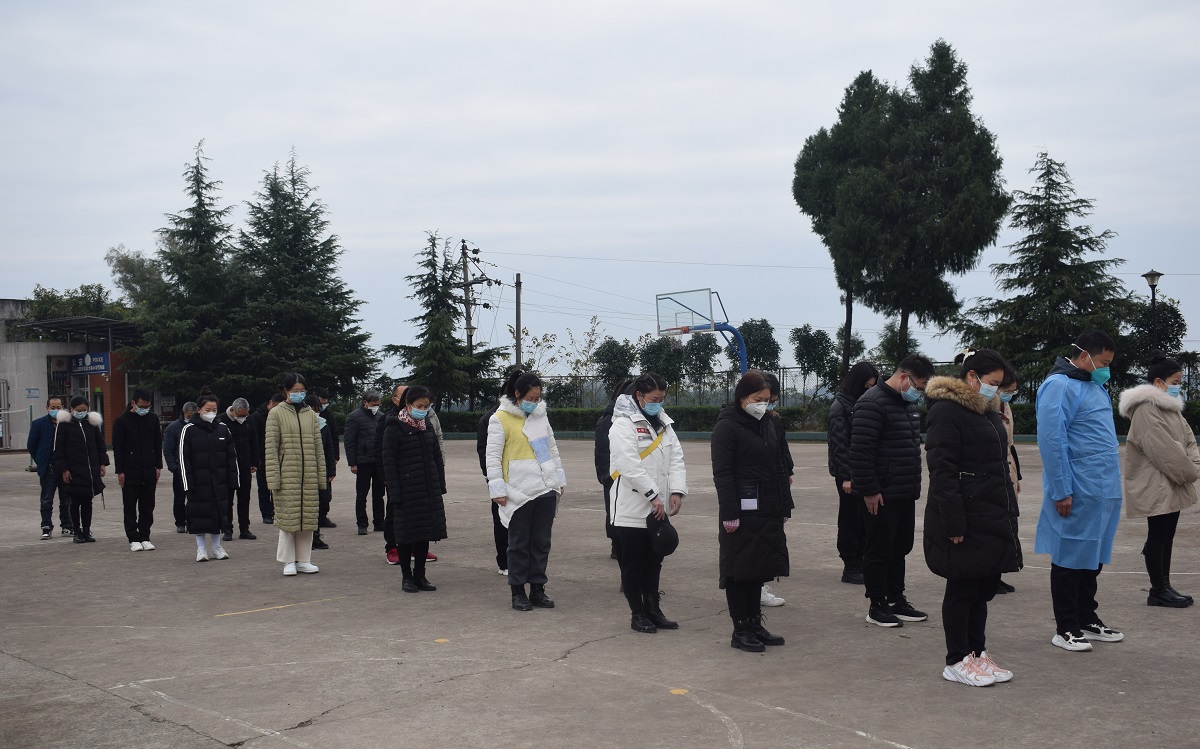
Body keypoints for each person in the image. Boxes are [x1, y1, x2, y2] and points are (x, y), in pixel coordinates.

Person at [922, 350, 1022, 687]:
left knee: (982, 589)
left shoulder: (987, 411)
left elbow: (998, 464)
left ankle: (977, 652)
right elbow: (942, 471)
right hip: (963, 514)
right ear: (971, 377)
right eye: (992, 383)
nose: (996, 390)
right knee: (962, 588)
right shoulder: (946, 411)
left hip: (990, 512)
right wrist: (954, 522)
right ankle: (956, 659)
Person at [1034, 330, 1124, 651]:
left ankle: (1087, 617)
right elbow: (1052, 440)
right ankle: (1066, 627)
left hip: (1103, 488)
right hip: (1077, 486)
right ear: (1084, 356)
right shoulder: (1059, 385)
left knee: (1093, 554)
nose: (1106, 369)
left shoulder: (1095, 386)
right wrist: (1061, 489)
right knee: (1070, 555)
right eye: (1103, 362)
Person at [850, 354, 935, 628]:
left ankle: (896, 599)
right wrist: (870, 489)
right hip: (881, 494)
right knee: (879, 550)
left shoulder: (906, 404)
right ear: (904, 377)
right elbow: (861, 451)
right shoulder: (871, 403)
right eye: (918, 386)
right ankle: (877, 605)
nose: (918, 393)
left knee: (900, 548)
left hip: (904, 490)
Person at [711, 369, 793, 652]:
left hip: (767, 507)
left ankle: (756, 624)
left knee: (758, 568)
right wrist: (729, 512)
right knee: (739, 570)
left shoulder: (769, 423)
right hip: (740, 510)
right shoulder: (727, 426)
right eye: (758, 399)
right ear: (742, 396)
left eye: (767, 400)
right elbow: (722, 473)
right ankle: (741, 629)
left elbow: (779, 466)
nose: (763, 405)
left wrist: (784, 504)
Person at [1119, 353, 1199, 608]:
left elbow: (1189, 441)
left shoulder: (1172, 408)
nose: (1179, 386)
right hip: (1156, 483)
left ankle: (1164, 585)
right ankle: (1158, 589)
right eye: (1175, 382)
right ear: (1158, 382)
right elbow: (1163, 450)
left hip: (1173, 481)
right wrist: (1190, 472)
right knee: (1158, 534)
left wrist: (1192, 466)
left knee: (1167, 534)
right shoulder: (1146, 409)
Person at [608, 373, 686, 633]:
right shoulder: (622, 424)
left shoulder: (665, 424)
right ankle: (637, 613)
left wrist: (677, 491)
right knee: (633, 563)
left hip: (658, 506)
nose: (658, 404)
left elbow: (676, 459)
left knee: (654, 560)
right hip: (632, 506)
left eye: (662, 399)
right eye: (653, 399)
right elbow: (628, 464)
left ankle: (653, 609)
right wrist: (652, 494)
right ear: (639, 396)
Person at [486, 370, 566, 611]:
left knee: (541, 542)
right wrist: (497, 488)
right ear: (517, 394)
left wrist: (559, 478)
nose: (534, 402)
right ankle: (518, 591)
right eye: (530, 398)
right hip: (517, 489)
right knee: (518, 543)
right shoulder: (499, 418)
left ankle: (538, 589)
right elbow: (493, 457)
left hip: (545, 487)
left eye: (537, 398)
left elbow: (552, 448)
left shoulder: (541, 416)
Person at [383, 385, 448, 592]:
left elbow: (436, 457)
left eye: (426, 406)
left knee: (423, 534)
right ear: (408, 404)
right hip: (406, 491)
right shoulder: (394, 427)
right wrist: (394, 493)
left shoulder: (426, 425)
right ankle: (407, 577)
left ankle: (420, 575)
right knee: (405, 536)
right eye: (419, 406)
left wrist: (440, 485)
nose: (423, 410)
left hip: (427, 489)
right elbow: (389, 463)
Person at [265, 373, 326, 576]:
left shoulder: (310, 414)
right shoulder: (276, 413)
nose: (299, 394)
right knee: (288, 520)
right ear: (286, 391)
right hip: (286, 475)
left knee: (307, 519)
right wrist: (274, 478)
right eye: (295, 391)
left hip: (308, 475)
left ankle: (304, 560)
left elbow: (318, 448)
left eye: (302, 391)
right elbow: (271, 448)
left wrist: (321, 476)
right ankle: (288, 561)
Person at [827, 362, 879, 585]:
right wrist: (847, 477)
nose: (870, 390)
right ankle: (850, 565)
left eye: (872, 386)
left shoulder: (861, 404)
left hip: (863, 472)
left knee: (865, 520)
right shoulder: (840, 408)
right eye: (867, 386)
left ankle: (862, 560)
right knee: (851, 520)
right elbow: (839, 446)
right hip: (848, 476)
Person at [180, 393, 238, 561]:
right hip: (199, 482)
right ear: (199, 410)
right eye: (207, 410)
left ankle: (216, 547)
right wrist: (187, 483)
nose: (211, 413)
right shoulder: (189, 430)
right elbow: (183, 458)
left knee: (219, 513)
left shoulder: (223, 429)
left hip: (219, 481)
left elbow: (231, 456)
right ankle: (201, 549)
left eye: (214, 410)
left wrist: (233, 480)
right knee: (199, 514)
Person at [112, 388, 163, 552]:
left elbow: (157, 444)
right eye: (141, 406)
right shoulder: (122, 421)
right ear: (133, 403)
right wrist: (120, 471)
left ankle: (145, 536)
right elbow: (118, 448)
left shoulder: (153, 419)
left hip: (149, 469)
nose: (144, 409)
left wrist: (158, 466)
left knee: (148, 506)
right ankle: (133, 538)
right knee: (130, 507)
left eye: (147, 406)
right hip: (130, 471)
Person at [52, 396, 108, 544]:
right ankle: (76, 531)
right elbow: (58, 449)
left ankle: (87, 530)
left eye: (84, 410)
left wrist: (102, 463)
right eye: (79, 410)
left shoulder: (92, 423)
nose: (82, 413)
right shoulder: (64, 425)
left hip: (90, 470)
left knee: (88, 502)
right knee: (75, 502)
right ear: (71, 409)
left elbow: (100, 445)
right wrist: (64, 469)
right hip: (73, 470)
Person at [759, 372, 792, 607]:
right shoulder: (736, 422)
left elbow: (782, 451)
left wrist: (788, 473)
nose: (769, 403)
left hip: (774, 485)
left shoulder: (774, 421)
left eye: (771, 399)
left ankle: (760, 584)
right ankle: (755, 587)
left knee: (772, 538)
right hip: (755, 490)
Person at [595, 378, 633, 562]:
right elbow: (602, 451)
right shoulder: (608, 420)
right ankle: (616, 545)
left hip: (630, 473)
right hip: (613, 475)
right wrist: (606, 476)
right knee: (614, 510)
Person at [995, 365, 1022, 595]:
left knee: (1007, 525)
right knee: (995, 526)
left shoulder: (1006, 407)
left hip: (1008, 469)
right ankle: (989, 575)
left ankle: (998, 573)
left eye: (1013, 391)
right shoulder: (987, 407)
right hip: (994, 473)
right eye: (1007, 391)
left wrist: (1017, 476)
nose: (1009, 395)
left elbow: (1010, 446)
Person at [28, 396, 71, 538]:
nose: (55, 410)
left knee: (66, 500)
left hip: (65, 469)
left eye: (58, 407)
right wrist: (41, 461)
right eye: (52, 408)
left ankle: (67, 525)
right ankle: (46, 527)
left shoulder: (68, 423)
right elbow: (32, 445)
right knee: (46, 500)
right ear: (47, 408)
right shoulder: (38, 424)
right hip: (48, 469)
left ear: (63, 407)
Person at [217, 397, 258, 540]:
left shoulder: (249, 419)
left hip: (245, 465)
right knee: (227, 500)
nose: (243, 418)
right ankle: (227, 529)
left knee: (244, 499)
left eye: (245, 415)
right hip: (228, 466)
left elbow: (254, 441)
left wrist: (255, 462)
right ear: (233, 411)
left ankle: (244, 529)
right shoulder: (221, 420)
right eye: (240, 415)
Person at [345, 390, 385, 535]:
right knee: (362, 494)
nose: (375, 407)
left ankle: (379, 522)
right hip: (363, 462)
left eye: (378, 404)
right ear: (365, 402)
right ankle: (362, 524)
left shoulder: (381, 417)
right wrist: (352, 463)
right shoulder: (354, 417)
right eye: (373, 404)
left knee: (379, 494)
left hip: (378, 462)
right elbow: (349, 441)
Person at [477, 402, 507, 575]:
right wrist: (492, 479)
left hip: (523, 478)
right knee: (501, 519)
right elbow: (484, 452)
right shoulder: (490, 418)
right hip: (500, 478)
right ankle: (504, 561)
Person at [306, 394, 337, 550]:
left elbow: (329, 448)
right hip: (306, 470)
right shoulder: (301, 426)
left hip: (322, 470)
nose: (315, 412)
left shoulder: (323, 425)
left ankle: (316, 535)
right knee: (308, 505)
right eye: (312, 409)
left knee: (322, 501)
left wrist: (331, 470)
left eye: (317, 410)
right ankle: (307, 538)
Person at [163, 401, 198, 533]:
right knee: (179, 498)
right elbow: (168, 449)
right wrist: (173, 466)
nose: (191, 417)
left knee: (195, 497)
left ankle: (193, 521)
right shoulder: (173, 427)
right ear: (184, 413)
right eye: (189, 415)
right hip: (180, 469)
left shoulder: (199, 426)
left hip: (196, 468)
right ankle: (180, 522)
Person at [249, 394, 284, 524]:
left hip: (277, 457)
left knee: (277, 487)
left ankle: (277, 511)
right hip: (262, 458)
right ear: (270, 403)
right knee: (263, 487)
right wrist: (256, 459)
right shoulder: (256, 417)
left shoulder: (280, 416)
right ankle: (266, 514)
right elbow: (254, 440)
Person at [313, 387, 340, 529]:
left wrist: (335, 457)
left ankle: (323, 516)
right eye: (321, 403)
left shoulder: (327, 416)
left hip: (324, 460)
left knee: (325, 493)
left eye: (325, 403)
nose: (323, 406)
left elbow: (333, 437)